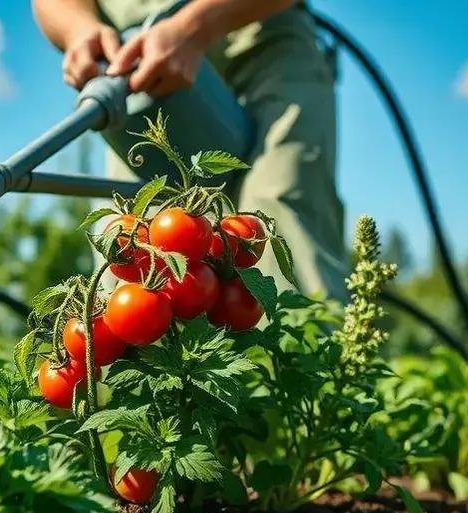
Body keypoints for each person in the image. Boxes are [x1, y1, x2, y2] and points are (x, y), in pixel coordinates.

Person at [32, 0, 347, 300]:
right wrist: (78, 29)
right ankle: (142, 357)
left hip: (263, 43)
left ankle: (299, 352)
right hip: (138, 74)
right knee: (136, 249)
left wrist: (195, 26)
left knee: (277, 212)